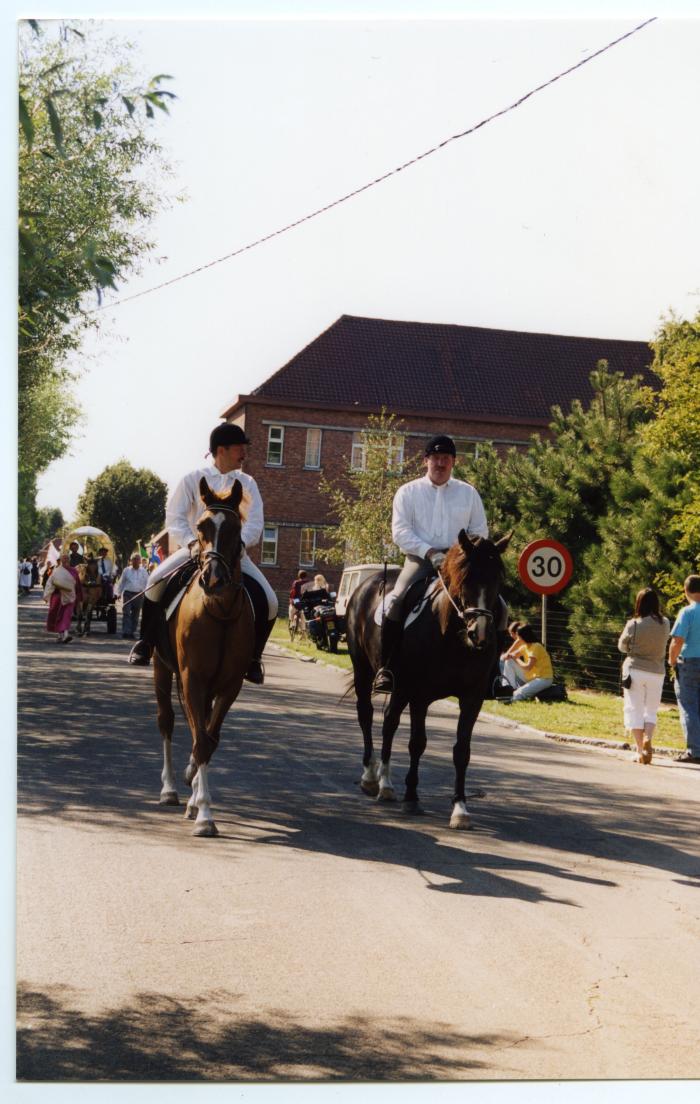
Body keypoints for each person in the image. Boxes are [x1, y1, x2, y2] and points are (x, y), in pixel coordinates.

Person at [128, 423, 278, 684]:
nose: (244, 453)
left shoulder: (248, 483)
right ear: (221, 450)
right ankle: (146, 642)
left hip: (235, 555)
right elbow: (175, 518)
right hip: (194, 551)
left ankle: (254, 658)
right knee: (154, 581)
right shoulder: (193, 478)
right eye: (239, 448)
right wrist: (192, 543)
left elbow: (255, 523)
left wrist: (238, 545)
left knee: (271, 601)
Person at [372, 433, 491, 694]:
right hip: (419, 560)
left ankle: (494, 675)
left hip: (459, 564)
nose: (440, 463)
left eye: (446, 458)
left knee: (496, 604)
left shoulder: (468, 493)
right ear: (425, 460)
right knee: (395, 600)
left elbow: (480, 532)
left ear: (454, 462)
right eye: (435, 458)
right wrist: (429, 552)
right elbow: (400, 532)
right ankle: (386, 667)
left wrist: (457, 555)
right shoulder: (408, 492)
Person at [617, 587, 670, 764]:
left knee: (634, 709)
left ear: (639, 603)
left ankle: (640, 750)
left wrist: (632, 647)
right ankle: (648, 737)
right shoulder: (666, 623)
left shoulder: (634, 624)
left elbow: (621, 646)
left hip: (635, 670)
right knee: (651, 710)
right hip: (657, 671)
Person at [668, 574, 700, 764]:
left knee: (689, 706)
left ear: (686, 590)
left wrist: (672, 661)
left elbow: (677, 641)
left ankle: (694, 750)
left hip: (689, 662)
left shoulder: (687, 612)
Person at [500, 623, 554, 701]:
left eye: (519, 637)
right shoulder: (525, 646)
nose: (517, 639)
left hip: (543, 679)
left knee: (517, 694)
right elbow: (510, 656)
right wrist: (508, 655)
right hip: (531, 677)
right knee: (509, 661)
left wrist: (516, 658)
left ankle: (512, 696)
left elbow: (528, 667)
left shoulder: (536, 646)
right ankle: (508, 688)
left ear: (524, 637)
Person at [43, 553, 82, 643]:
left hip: (70, 596)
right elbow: (49, 583)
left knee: (67, 615)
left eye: (67, 558)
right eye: (64, 558)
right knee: (58, 615)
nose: (65, 560)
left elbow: (77, 584)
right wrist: (47, 594)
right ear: (60, 560)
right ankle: (60, 635)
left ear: (69, 559)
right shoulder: (56, 571)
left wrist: (79, 596)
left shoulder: (74, 571)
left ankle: (66, 634)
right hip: (57, 596)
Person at [116, 553, 150, 639]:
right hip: (128, 594)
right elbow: (122, 582)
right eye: (134, 559)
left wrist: (146, 593)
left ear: (140, 561)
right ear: (131, 561)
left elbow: (147, 583)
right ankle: (126, 632)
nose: (135, 561)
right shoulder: (126, 570)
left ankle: (131, 632)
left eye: (137, 559)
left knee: (135, 615)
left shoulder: (144, 571)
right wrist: (118, 593)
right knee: (126, 613)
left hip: (139, 595)